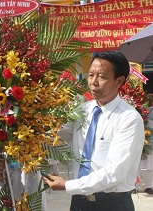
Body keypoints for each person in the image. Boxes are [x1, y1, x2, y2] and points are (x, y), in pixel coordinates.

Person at [43, 51, 145, 211]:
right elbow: (55, 136)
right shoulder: (82, 111)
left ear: (119, 81)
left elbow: (114, 174)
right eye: (91, 75)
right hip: (79, 202)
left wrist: (67, 185)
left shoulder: (129, 119)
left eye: (102, 77)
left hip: (112, 204)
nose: (93, 82)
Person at [138, 98, 153, 194]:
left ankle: (148, 186)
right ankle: (134, 185)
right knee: (135, 163)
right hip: (140, 138)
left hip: (150, 141)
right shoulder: (142, 109)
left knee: (150, 165)